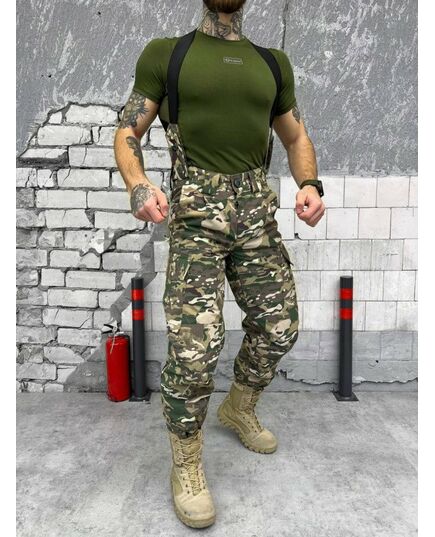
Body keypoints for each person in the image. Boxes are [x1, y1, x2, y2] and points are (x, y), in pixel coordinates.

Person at [114, 0, 325, 529]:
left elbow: (296, 136)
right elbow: (127, 131)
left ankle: (239, 406)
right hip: (194, 220)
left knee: (279, 326)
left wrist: (309, 184)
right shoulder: (168, 55)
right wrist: (138, 184)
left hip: (256, 215)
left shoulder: (272, 62)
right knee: (195, 350)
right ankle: (186, 462)